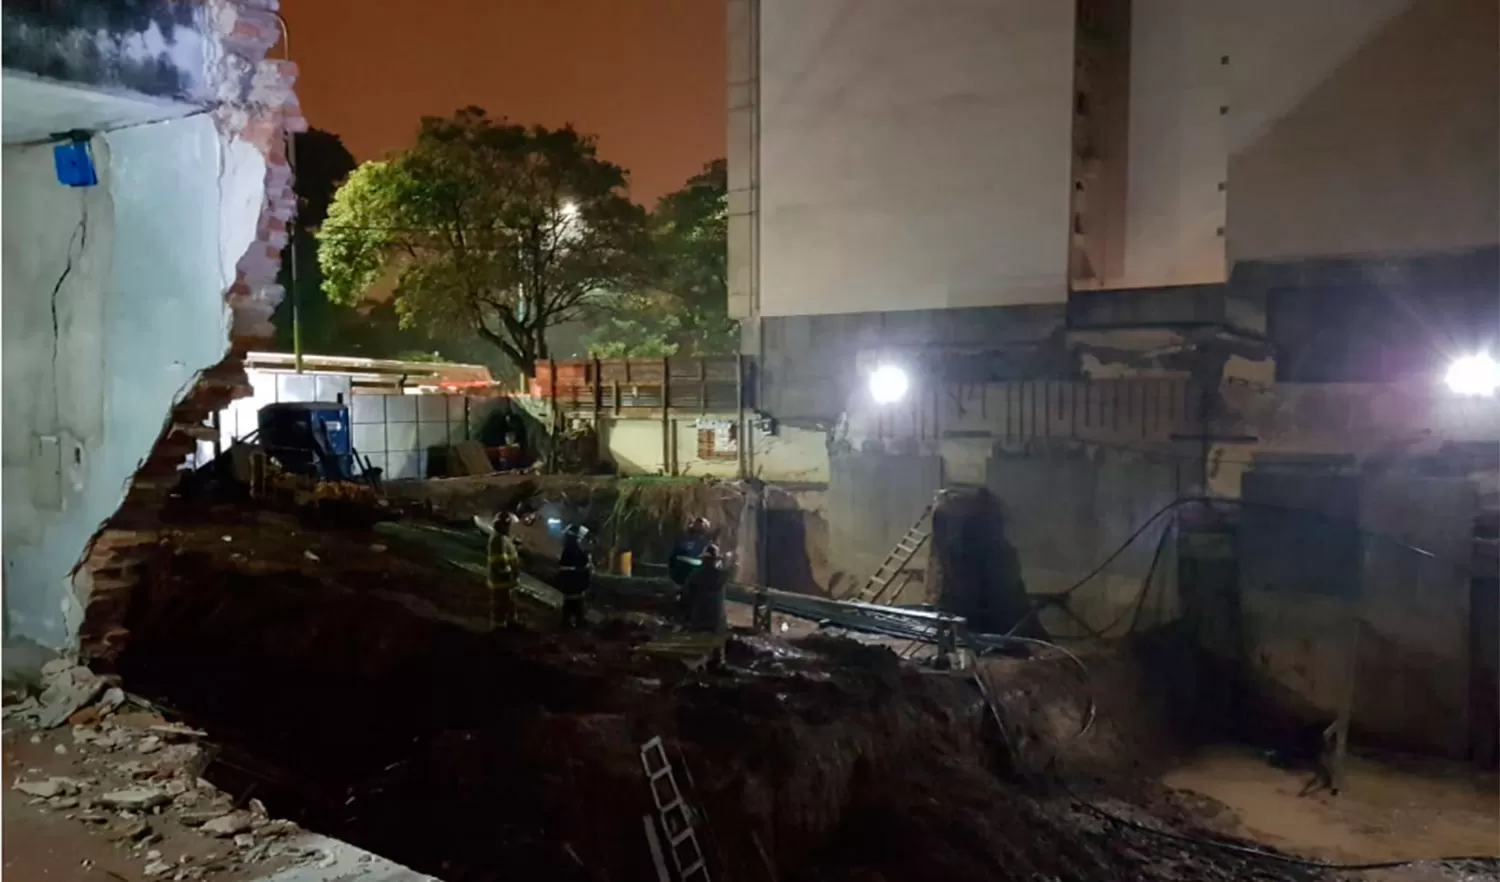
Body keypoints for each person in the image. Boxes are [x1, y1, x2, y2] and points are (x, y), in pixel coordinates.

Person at [485, 511, 521, 632]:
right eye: (511, 525)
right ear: (504, 525)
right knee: (501, 605)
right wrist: (509, 573)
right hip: (502, 581)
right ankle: (499, 629)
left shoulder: (503, 538)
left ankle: (510, 625)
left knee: (509, 604)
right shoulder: (498, 540)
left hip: (507, 581)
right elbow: (500, 561)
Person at [683, 543, 728, 634]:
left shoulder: (696, 574)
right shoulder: (722, 575)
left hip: (698, 619)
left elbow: (686, 593)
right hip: (717, 622)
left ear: (704, 559)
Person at [556, 525, 592, 630]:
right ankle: (575, 622)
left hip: (571, 583)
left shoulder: (568, 550)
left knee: (571, 603)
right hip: (575, 583)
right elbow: (582, 566)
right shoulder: (575, 552)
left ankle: (569, 622)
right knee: (575, 604)